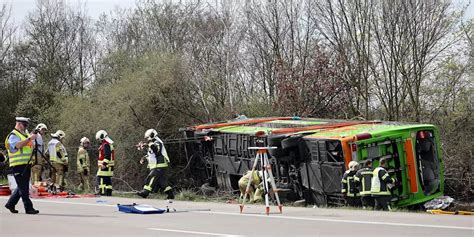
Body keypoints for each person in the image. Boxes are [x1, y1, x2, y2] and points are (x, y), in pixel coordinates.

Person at [4, 117, 39, 214]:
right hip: (17, 165)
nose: (25, 127)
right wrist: (29, 138)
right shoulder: (13, 135)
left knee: (22, 186)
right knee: (24, 188)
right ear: (19, 124)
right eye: (24, 125)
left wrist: (32, 138)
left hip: (26, 164)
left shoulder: (25, 134)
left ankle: (10, 204)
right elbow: (17, 145)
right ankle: (28, 208)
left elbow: (30, 144)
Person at [136, 129, 174, 200]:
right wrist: (144, 158)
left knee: (151, 177)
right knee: (162, 182)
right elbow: (151, 154)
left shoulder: (157, 142)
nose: (147, 139)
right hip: (158, 165)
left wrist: (149, 144)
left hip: (160, 165)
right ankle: (170, 195)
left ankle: (145, 192)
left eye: (148, 137)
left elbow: (157, 151)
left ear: (152, 135)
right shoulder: (153, 143)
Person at [96, 130, 115, 196]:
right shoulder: (108, 144)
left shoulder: (106, 145)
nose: (99, 141)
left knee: (101, 178)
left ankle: (102, 192)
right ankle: (109, 193)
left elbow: (107, 155)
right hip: (109, 166)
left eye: (99, 139)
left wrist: (104, 164)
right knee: (107, 180)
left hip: (105, 166)